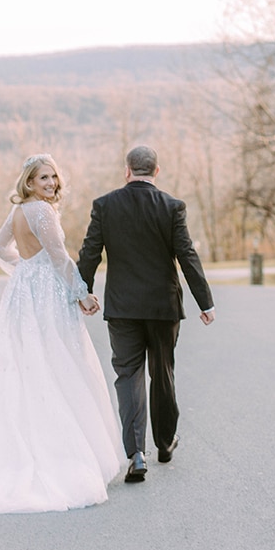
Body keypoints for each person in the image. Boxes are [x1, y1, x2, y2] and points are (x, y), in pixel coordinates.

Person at [0, 154, 126, 514]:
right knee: (57, 364)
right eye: (43, 178)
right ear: (29, 182)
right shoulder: (41, 211)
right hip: (46, 296)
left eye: (53, 177)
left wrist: (23, 271)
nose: (51, 183)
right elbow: (59, 256)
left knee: (27, 366)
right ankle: (59, 456)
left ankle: (23, 450)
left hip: (21, 295)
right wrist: (82, 294)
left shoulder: (17, 212)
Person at [77, 145, 215, 484]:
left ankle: (136, 453)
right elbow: (186, 255)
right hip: (162, 307)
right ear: (157, 170)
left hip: (123, 308)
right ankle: (165, 443)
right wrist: (205, 302)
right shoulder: (171, 207)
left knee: (128, 376)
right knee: (162, 373)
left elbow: (89, 254)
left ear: (127, 170)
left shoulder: (105, 206)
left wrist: (82, 294)